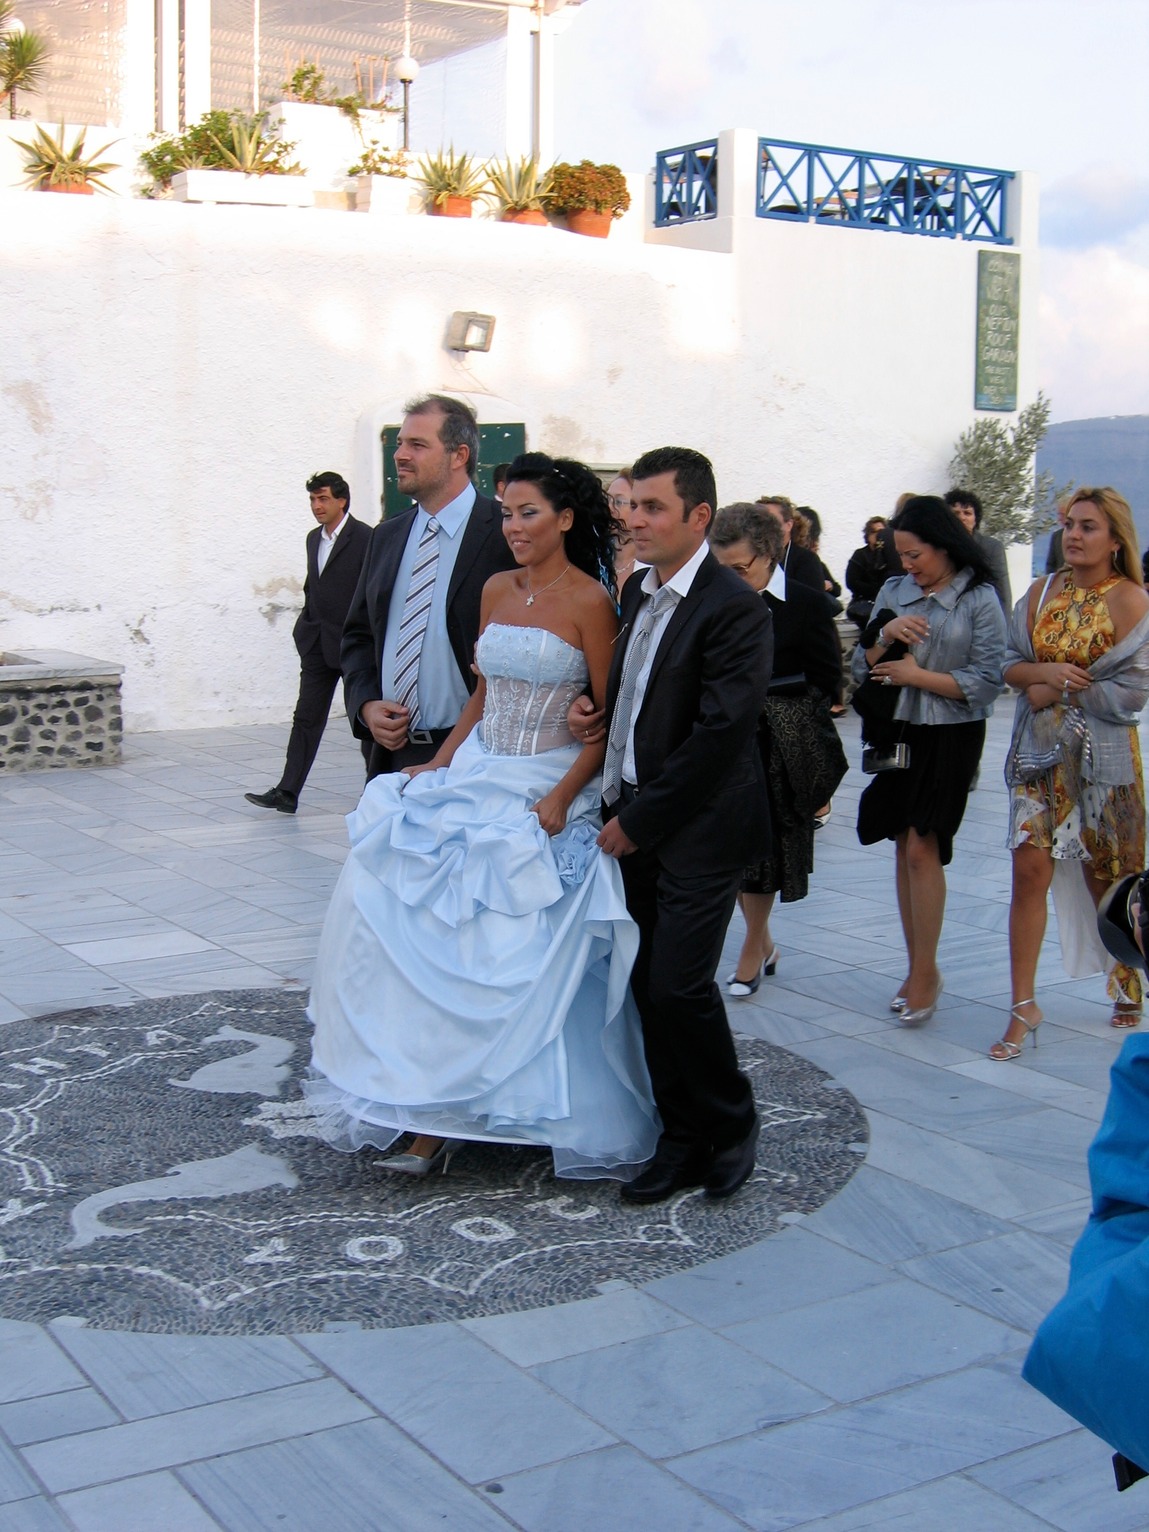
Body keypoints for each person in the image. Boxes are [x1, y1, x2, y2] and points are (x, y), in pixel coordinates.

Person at [305, 453, 658, 1178]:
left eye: (529, 513)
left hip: (547, 777)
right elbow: (483, 694)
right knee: (413, 913)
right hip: (479, 766)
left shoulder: (592, 602)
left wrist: (559, 797)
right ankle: (426, 1104)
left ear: (564, 519)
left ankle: (511, 1105)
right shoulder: (496, 588)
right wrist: (440, 765)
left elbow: (608, 720)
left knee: (505, 941)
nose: (514, 526)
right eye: (507, 514)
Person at [576, 447, 774, 1205]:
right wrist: (592, 714)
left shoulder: (734, 606)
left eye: (653, 507)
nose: (634, 519)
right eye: (631, 505)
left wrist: (640, 819)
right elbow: (639, 695)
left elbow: (720, 733)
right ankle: (680, 1136)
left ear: (699, 516)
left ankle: (731, 1122)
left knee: (679, 986)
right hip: (631, 814)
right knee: (643, 985)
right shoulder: (639, 592)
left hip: (698, 827)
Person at [993, 486, 1149, 1056]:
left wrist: (1057, 688)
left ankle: (1127, 979)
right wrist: (1042, 673)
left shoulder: (1131, 599)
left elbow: (1132, 693)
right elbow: (1007, 664)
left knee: (1110, 876)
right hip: (1037, 760)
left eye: (1088, 527)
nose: (1075, 536)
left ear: (1115, 540)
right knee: (1027, 873)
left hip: (1104, 766)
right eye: (1070, 525)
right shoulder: (1040, 593)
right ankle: (1022, 1006)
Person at [853, 495, 1006, 1025]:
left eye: (915, 555)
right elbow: (862, 666)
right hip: (896, 728)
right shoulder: (894, 591)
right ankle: (917, 965)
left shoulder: (979, 598)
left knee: (924, 845)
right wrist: (884, 634)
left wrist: (918, 676)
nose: (907, 565)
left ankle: (925, 971)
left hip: (951, 734)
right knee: (902, 844)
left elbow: (988, 682)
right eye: (901, 555)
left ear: (943, 546)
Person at [340, 394, 516, 776]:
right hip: (392, 756)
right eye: (400, 443)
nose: (400, 455)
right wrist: (365, 705)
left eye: (417, 445)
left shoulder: (505, 534)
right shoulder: (386, 537)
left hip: (475, 755)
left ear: (459, 455)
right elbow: (358, 636)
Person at [710, 503, 846, 996]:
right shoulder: (711, 601)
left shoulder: (807, 606)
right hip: (721, 745)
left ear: (769, 555)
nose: (729, 579)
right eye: (720, 568)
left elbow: (828, 683)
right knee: (728, 853)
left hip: (777, 751)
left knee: (764, 857)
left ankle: (751, 950)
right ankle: (764, 942)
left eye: (740, 568)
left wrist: (778, 706)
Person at [245, 471, 372, 815]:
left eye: (323, 498)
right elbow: (313, 585)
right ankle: (287, 792)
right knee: (306, 718)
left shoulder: (366, 538)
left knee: (364, 721)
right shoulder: (313, 539)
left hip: (353, 646)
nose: (317, 506)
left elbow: (373, 591)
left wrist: (366, 638)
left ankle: (375, 791)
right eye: (313, 499)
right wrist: (306, 626)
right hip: (317, 643)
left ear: (342, 501)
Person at [944, 487, 1012, 614]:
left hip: (982, 614)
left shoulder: (992, 548)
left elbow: (1002, 591)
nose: (962, 518)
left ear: (976, 519)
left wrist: (1005, 623)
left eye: (967, 513)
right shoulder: (939, 547)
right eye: (956, 513)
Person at [756, 495, 828, 595]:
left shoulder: (806, 560)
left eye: (771, 520)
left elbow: (813, 600)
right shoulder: (749, 557)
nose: (763, 526)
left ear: (789, 525)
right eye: (757, 521)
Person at [845, 516, 890, 632]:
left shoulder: (891, 555)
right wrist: (874, 591)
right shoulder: (860, 555)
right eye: (874, 532)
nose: (878, 535)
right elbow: (852, 582)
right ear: (868, 535)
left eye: (881, 532)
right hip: (865, 600)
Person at [607, 468, 641, 591]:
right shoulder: (596, 558)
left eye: (618, 502)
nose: (609, 508)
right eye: (607, 499)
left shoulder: (653, 564)